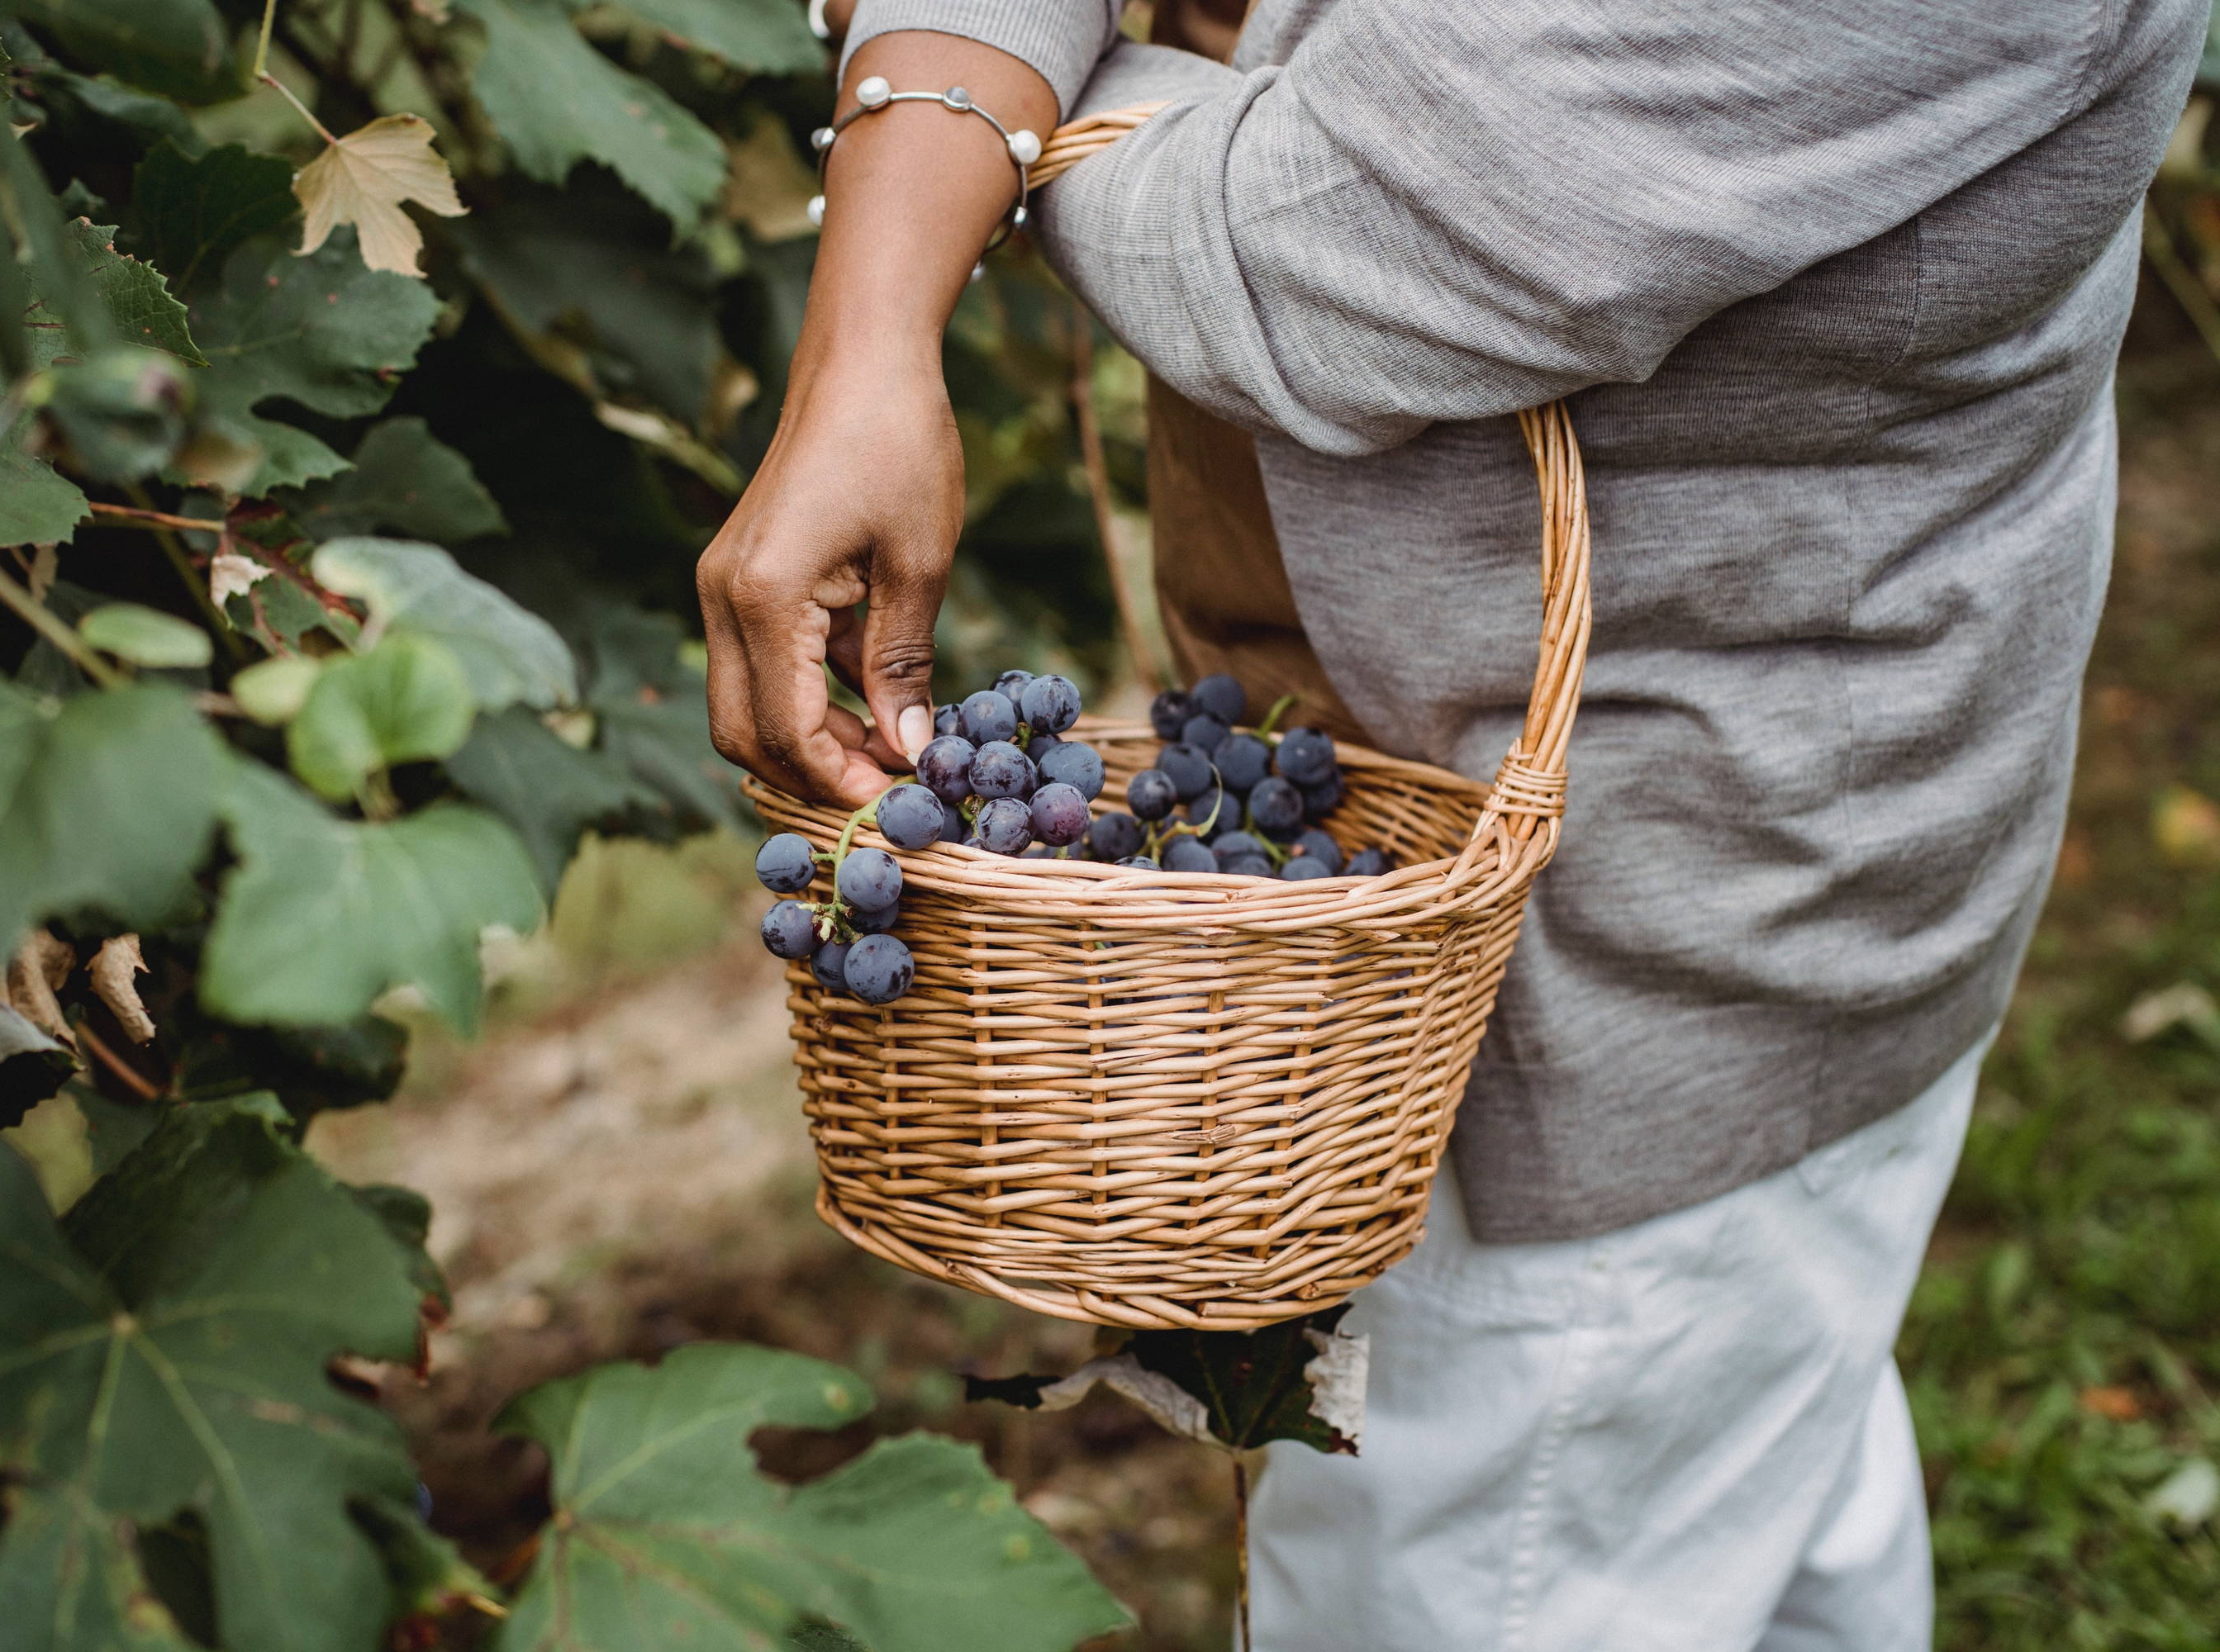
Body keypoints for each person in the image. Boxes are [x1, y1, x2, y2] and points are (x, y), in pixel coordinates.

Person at [694, 1, 2212, 1645]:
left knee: (1532, 1497)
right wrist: (899, 266)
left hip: (1658, 947)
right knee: (1730, 1471)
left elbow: (1312, 240)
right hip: (1401, 866)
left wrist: (944, 116)